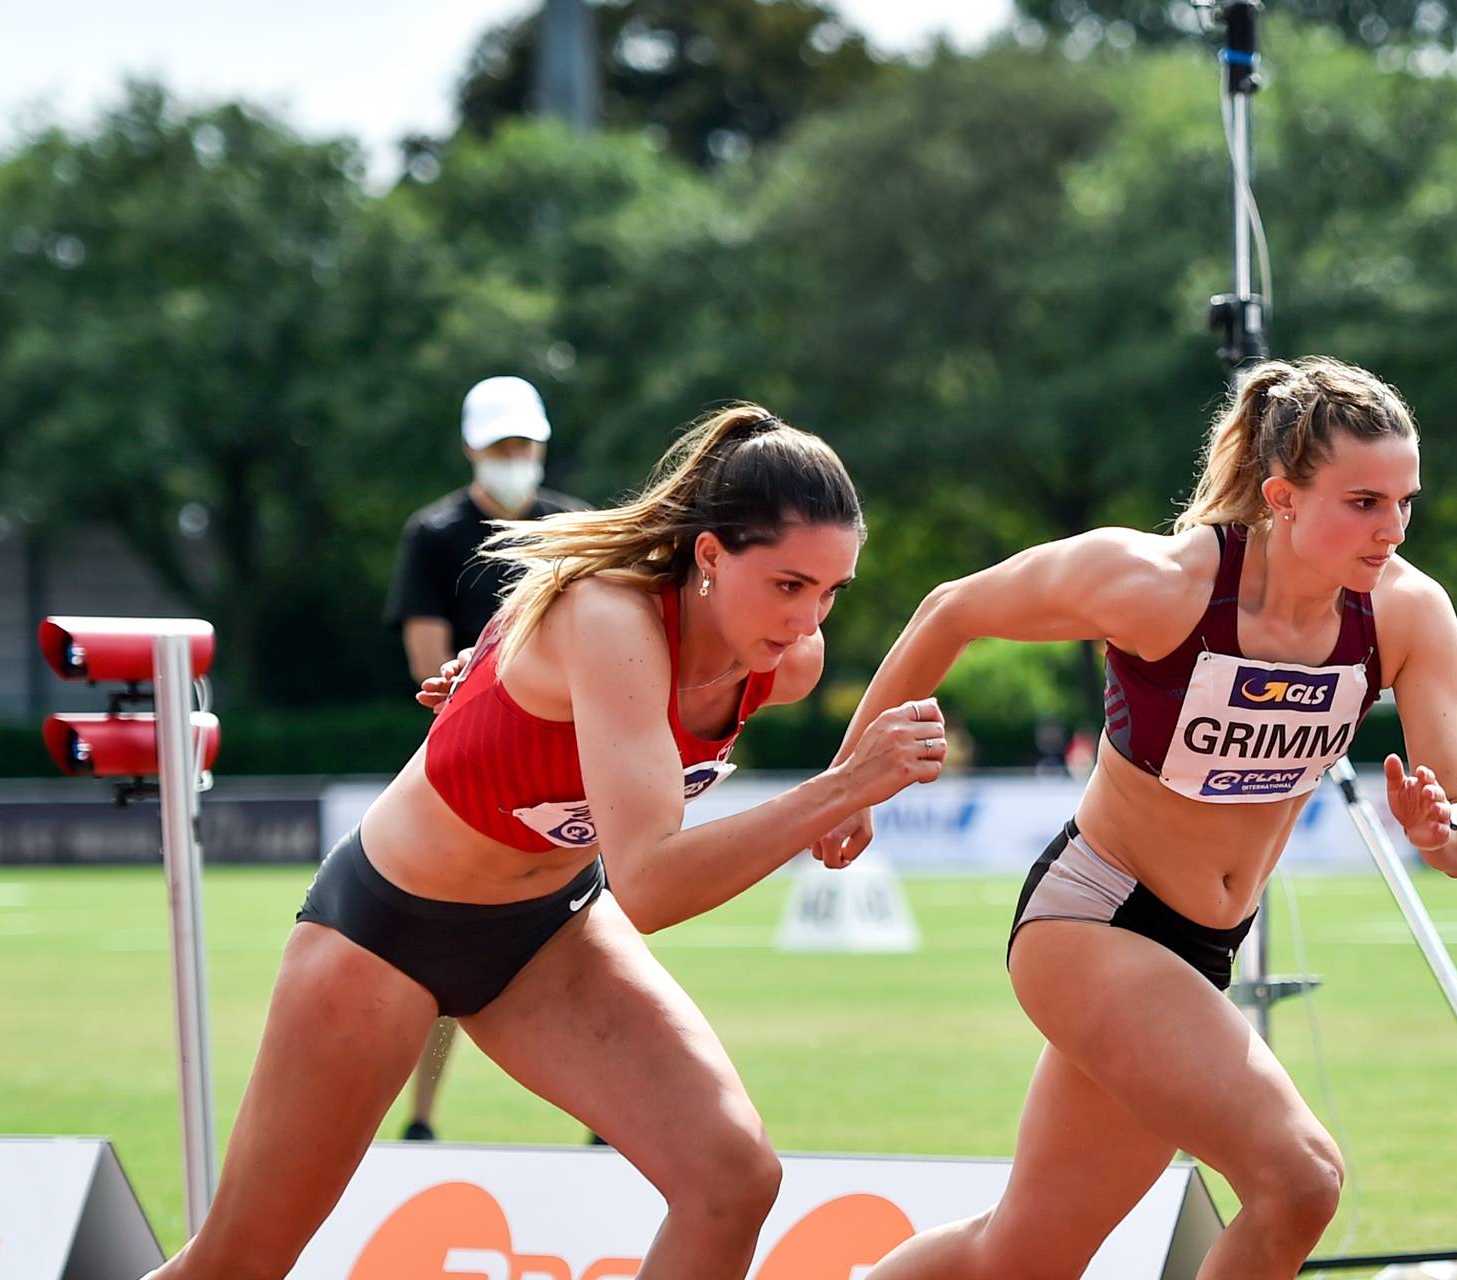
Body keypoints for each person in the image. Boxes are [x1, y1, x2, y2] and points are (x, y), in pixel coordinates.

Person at [146, 405, 947, 1280]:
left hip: (548, 929)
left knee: (734, 1179)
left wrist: (489, 671)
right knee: (236, 1263)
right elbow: (651, 883)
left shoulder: (786, 663)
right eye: (790, 586)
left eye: (833, 593)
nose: (808, 622)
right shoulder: (612, 618)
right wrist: (842, 786)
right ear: (710, 555)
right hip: (388, 931)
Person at [831, 357, 1457, 1279]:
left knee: (1020, 1255)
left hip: (1197, 955)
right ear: (1284, 497)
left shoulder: (1410, 615)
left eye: (1405, 502)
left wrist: (1440, 831)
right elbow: (953, 609)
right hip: (1091, 920)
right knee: (1301, 1180)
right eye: (1364, 502)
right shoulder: (1161, 584)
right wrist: (851, 783)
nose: (1393, 529)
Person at [381, 374, 592, 1143]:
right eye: (503, 445)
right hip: (470, 770)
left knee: (597, 939)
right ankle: (423, 1118)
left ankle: (609, 1112)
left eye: (526, 444)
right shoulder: (435, 535)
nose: (516, 457)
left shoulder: (576, 527)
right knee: (449, 947)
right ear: (473, 447)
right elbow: (423, 658)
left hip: (573, 774)